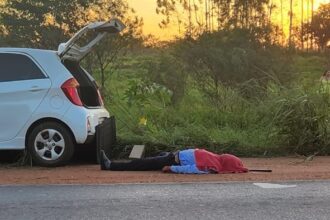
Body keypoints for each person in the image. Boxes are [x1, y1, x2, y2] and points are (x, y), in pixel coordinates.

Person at [99, 148, 249, 174]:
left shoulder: (211, 166)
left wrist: (171, 168)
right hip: (174, 155)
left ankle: (110, 166)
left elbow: (192, 169)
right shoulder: (215, 158)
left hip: (174, 161)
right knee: (150, 160)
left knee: (142, 163)